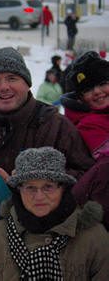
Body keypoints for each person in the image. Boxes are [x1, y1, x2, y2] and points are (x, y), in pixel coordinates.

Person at [0, 47, 95, 182]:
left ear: (27, 83)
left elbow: (88, 177)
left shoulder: (57, 127)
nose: (4, 87)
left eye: (12, 78)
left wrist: (38, 180)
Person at [0, 147, 109, 280]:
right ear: (19, 190)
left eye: (48, 187)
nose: (39, 196)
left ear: (63, 189)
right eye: (30, 188)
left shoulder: (93, 238)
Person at [60, 51, 109, 230]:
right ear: (80, 97)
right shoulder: (88, 124)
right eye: (88, 89)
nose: (97, 92)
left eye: (102, 84)